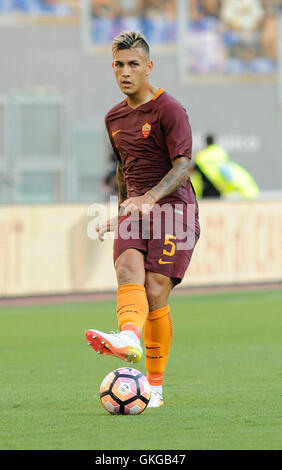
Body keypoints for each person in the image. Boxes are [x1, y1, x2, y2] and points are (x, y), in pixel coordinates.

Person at [85, 31, 200, 408]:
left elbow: (184, 165)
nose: (125, 72)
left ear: (149, 67)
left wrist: (151, 197)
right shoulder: (113, 117)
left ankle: (156, 388)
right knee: (126, 269)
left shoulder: (170, 110)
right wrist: (121, 213)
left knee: (154, 291)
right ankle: (129, 338)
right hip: (135, 208)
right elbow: (123, 170)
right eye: (118, 64)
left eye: (133, 64)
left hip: (174, 210)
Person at [191, 134, 259, 199]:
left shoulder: (201, 155)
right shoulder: (220, 152)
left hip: (208, 187)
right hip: (220, 186)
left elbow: (194, 169)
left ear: (205, 143)